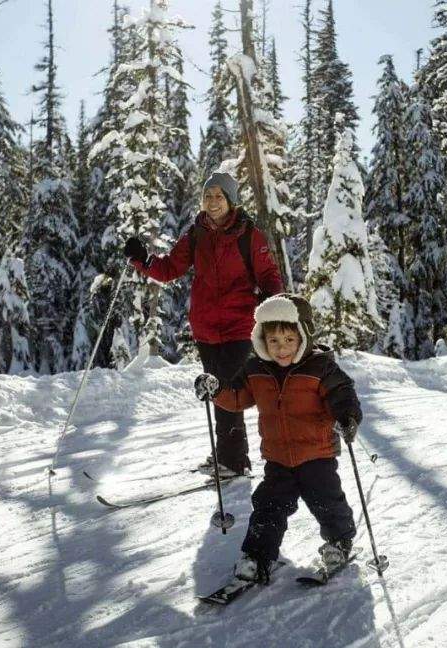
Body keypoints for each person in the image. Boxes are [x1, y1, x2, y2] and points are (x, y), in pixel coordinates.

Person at [194, 293, 362, 583]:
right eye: (273, 341)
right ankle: (257, 556)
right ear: (261, 340)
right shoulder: (256, 369)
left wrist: (347, 418)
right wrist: (216, 389)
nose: (281, 349)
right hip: (278, 459)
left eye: (288, 340)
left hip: (317, 456)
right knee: (268, 509)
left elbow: (342, 394)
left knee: (328, 503)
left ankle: (339, 543)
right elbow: (236, 397)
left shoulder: (320, 367)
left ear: (303, 337)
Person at [124, 172, 284, 476]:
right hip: (206, 329)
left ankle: (234, 460)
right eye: (208, 196)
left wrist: (274, 305)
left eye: (219, 196)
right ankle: (228, 455)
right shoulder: (196, 233)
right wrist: (142, 259)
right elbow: (170, 268)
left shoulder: (250, 236)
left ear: (231, 201)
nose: (212, 202)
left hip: (240, 327)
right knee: (218, 390)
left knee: (224, 387)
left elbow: (269, 276)